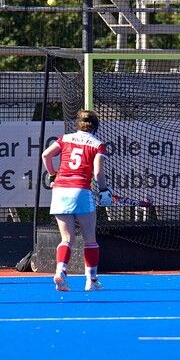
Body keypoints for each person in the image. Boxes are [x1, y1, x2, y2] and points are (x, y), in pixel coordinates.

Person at [41, 109, 112, 292]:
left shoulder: (65, 139)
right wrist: (104, 191)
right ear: (95, 127)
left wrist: (52, 174)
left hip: (60, 191)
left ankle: (61, 272)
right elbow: (97, 173)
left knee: (66, 238)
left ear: (78, 124)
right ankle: (92, 280)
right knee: (90, 239)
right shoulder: (98, 144)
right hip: (81, 191)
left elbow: (45, 155)